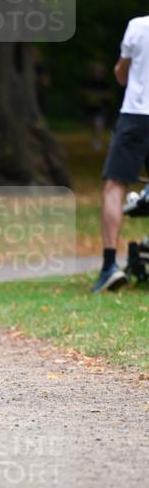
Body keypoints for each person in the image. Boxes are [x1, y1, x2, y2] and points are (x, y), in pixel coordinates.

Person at [91, 15, 149, 293]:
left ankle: (109, 265)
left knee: (115, 186)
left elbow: (121, 74)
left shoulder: (138, 26)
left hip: (136, 115)